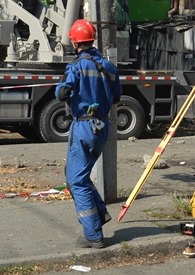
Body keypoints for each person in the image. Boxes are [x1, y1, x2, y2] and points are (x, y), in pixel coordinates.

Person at [56, 19, 121, 249]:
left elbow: (62, 93)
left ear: (75, 42)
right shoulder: (109, 68)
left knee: (76, 181)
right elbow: (116, 97)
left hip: (83, 127)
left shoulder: (76, 67)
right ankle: (100, 214)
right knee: (80, 176)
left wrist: (63, 89)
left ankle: (93, 234)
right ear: (91, 39)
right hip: (102, 127)